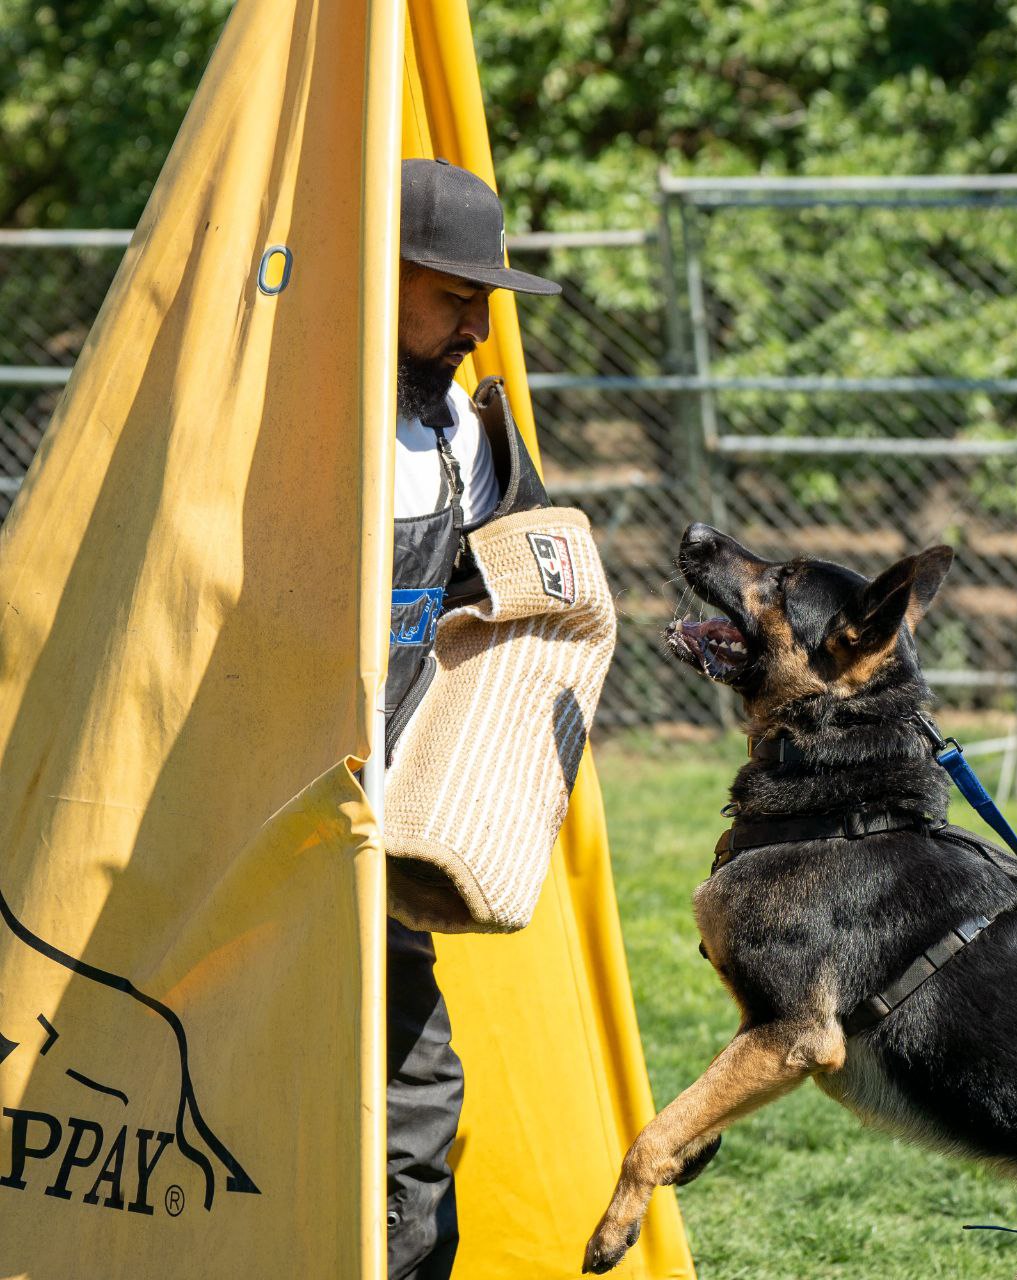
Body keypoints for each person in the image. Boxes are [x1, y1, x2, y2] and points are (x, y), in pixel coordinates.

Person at [386, 157, 561, 1280]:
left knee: (413, 1103)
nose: (475, 327)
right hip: (245, 831)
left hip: (378, 834)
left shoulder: (458, 423)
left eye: (484, 300)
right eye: (455, 296)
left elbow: (521, 583)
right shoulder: (279, 417)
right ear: (381, 273)